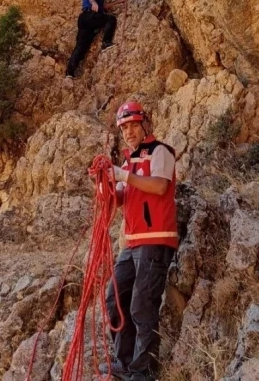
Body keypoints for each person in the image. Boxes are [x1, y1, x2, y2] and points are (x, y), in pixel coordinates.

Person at [100, 101, 179, 381]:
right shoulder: (129, 161)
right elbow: (119, 200)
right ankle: (123, 362)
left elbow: (159, 186)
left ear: (144, 124)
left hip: (155, 240)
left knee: (142, 305)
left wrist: (123, 176)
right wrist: (106, 185)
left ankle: (143, 371)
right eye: (124, 128)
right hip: (132, 243)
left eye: (133, 125)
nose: (129, 132)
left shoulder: (160, 152)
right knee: (115, 299)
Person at [65, 0, 126, 79]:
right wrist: (93, 2)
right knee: (111, 19)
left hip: (85, 20)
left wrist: (119, 2)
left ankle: (69, 73)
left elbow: (105, 7)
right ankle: (106, 42)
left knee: (81, 47)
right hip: (89, 15)